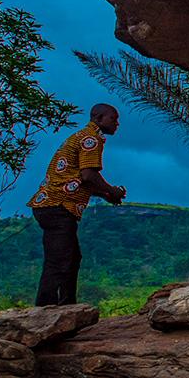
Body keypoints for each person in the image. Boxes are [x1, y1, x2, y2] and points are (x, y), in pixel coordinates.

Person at [27, 103, 127, 305]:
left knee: (71, 258)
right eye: (112, 119)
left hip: (51, 204)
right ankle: (45, 309)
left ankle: (66, 305)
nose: (117, 123)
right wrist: (112, 190)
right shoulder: (91, 139)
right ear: (98, 118)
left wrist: (105, 195)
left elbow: (78, 179)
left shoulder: (82, 136)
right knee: (60, 260)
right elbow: (88, 175)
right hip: (58, 205)